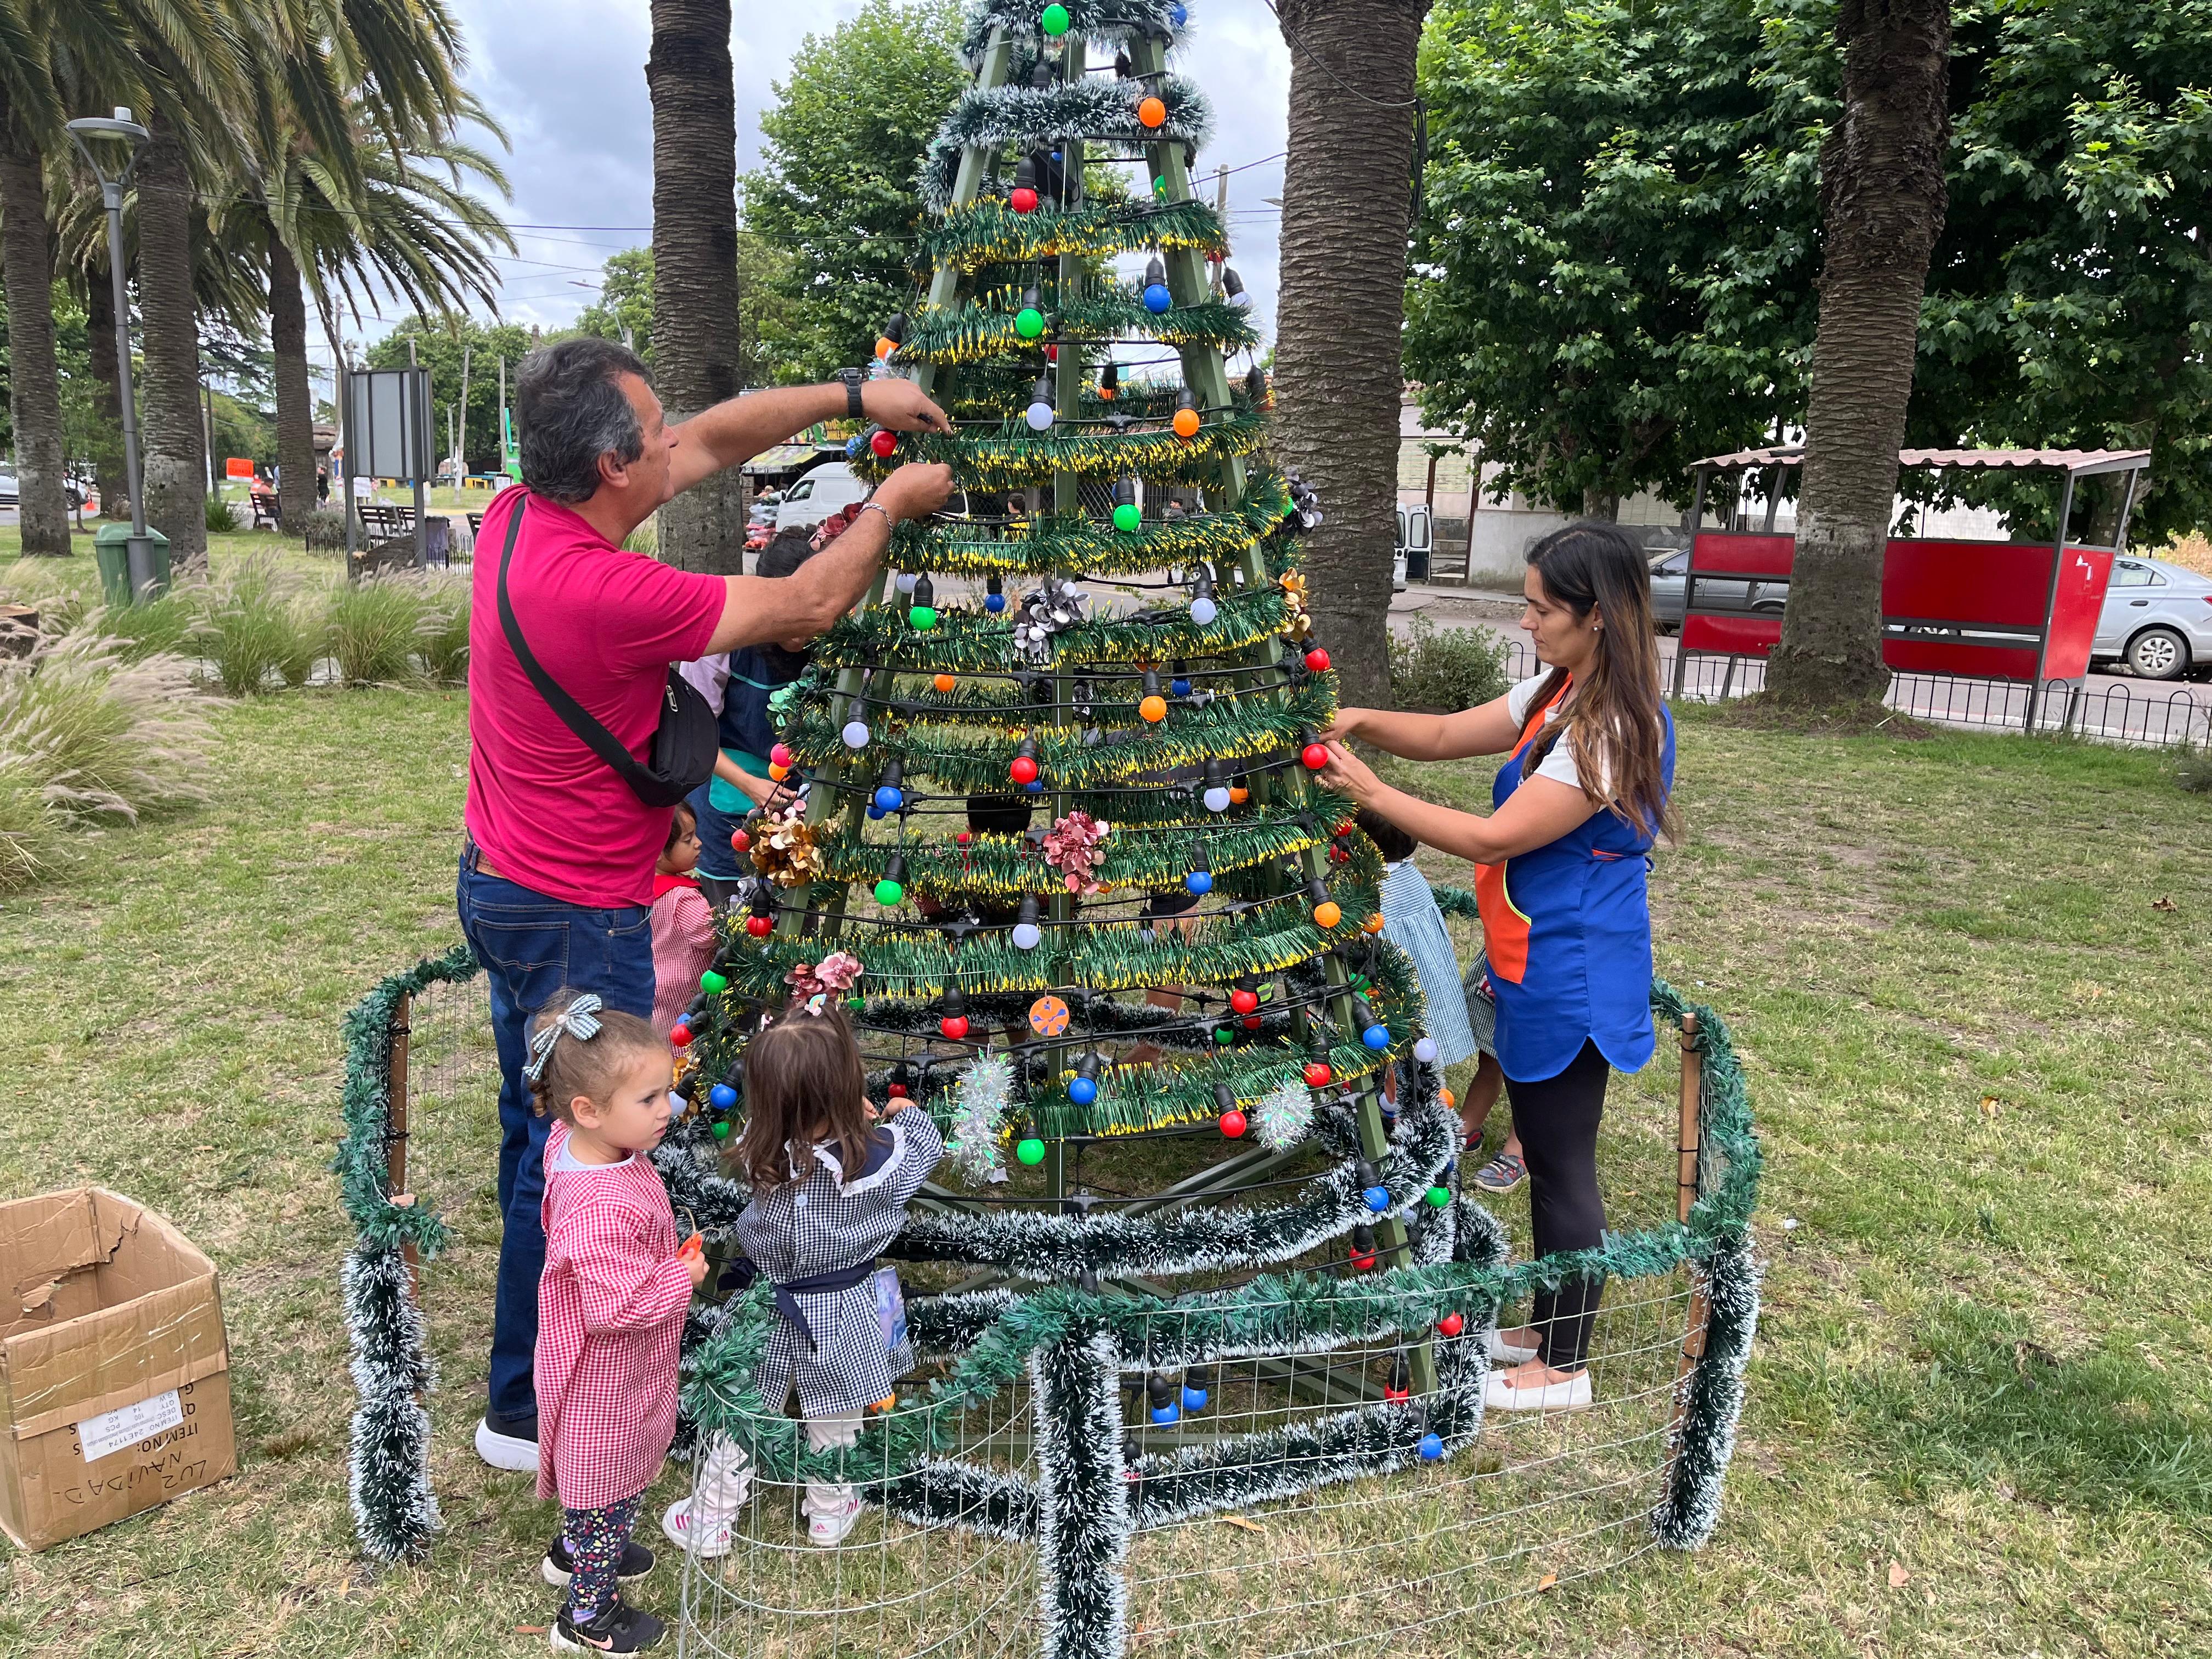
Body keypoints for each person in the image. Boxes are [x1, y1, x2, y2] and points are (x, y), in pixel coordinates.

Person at [459, 336, 952, 1474]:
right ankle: (534, 1409)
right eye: (656, 431)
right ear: (613, 464)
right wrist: (887, 503)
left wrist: (851, 396)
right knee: (585, 1149)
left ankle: (535, 1360)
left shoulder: (515, 520)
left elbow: (720, 434)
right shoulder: (604, 586)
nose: (678, 441)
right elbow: (811, 604)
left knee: (538, 1131)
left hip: (508, 882)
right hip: (577, 913)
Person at [1317, 522, 1674, 1413]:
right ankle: (1550, 1330)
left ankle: (1564, 1367)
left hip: (1577, 973)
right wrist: (1359, 718)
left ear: (1596, 617)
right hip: (1536, 958)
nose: (1527, 620)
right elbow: (1441, 733)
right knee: (1554, 1156)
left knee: (1560, 1163)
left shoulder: (1613, 725)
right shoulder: (1560, 691)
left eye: (1541, 607)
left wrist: (1368, 790)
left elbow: (1490, 835)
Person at [663, 1005, 945, 1554]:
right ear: (846, 1085)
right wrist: (901, 1112)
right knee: (835, 1414)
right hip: (843, 1307)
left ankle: (709, 1521)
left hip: (764, 1303)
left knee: (743, 1412)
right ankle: (829, 1513)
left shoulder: (759, 1151)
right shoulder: (877, 1157)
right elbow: (926, 1148)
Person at [525, 989, 708, 1654]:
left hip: (617, 1366)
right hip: (606, 1374)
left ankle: (576, 1550)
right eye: (650, 1100)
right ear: (589, 1111)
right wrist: (677, 1277)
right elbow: (616, 1307)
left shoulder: (579, 1145)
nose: (669, 1110)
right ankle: (588, 1616)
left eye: (667, 1092)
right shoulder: (599, 1206)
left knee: (606, 1478)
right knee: (607, 1476)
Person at [676, 527, 824, 908]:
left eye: (809, 611)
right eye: (789, 612)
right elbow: (691, 733)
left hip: (801, 796)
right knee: (734, 920)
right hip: (728, 793)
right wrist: (750, 785)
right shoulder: (723, 640)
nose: (800, 628)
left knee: (797, 918)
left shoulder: (829, 644)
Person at [1355, 808, 1478, 1075]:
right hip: (1428, 977)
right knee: (1426, 1064)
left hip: (1395, 991)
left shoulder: (1370, 891)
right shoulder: (1412, 877)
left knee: (1398, 1064)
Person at [647, 804, 716, 1035]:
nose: (699, 843)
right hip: (688, 988)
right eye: (688, 840)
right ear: (657, 850)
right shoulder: (683, 897)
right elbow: (709, 934)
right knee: (691, 1044)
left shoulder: (644, 889)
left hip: (658, 986)